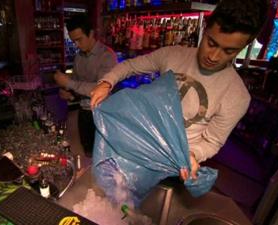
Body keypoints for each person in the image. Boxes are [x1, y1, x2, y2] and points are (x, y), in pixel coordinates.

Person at [90, 0, 268, 180]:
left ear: (245, 46)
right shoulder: (172, 55)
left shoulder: (237, 96)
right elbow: (130, 66)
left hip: (173, 166)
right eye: (211, 43)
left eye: (229, 51)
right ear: (205, 28)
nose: (214, 57)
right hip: (137, 146)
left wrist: (193, 154)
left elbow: (212, 141)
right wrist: (107, 83)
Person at [54, 15, 117, 156]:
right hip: (84, 112)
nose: (76, 45)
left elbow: (99, 89)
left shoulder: (107, 56)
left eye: (79, 39)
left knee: (103, 155)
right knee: (87, 151)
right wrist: (69, 94)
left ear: (91, 33)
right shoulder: (79, 57)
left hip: (102, 113)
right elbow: (78, 84)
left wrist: (68, 82)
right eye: (73, 41)